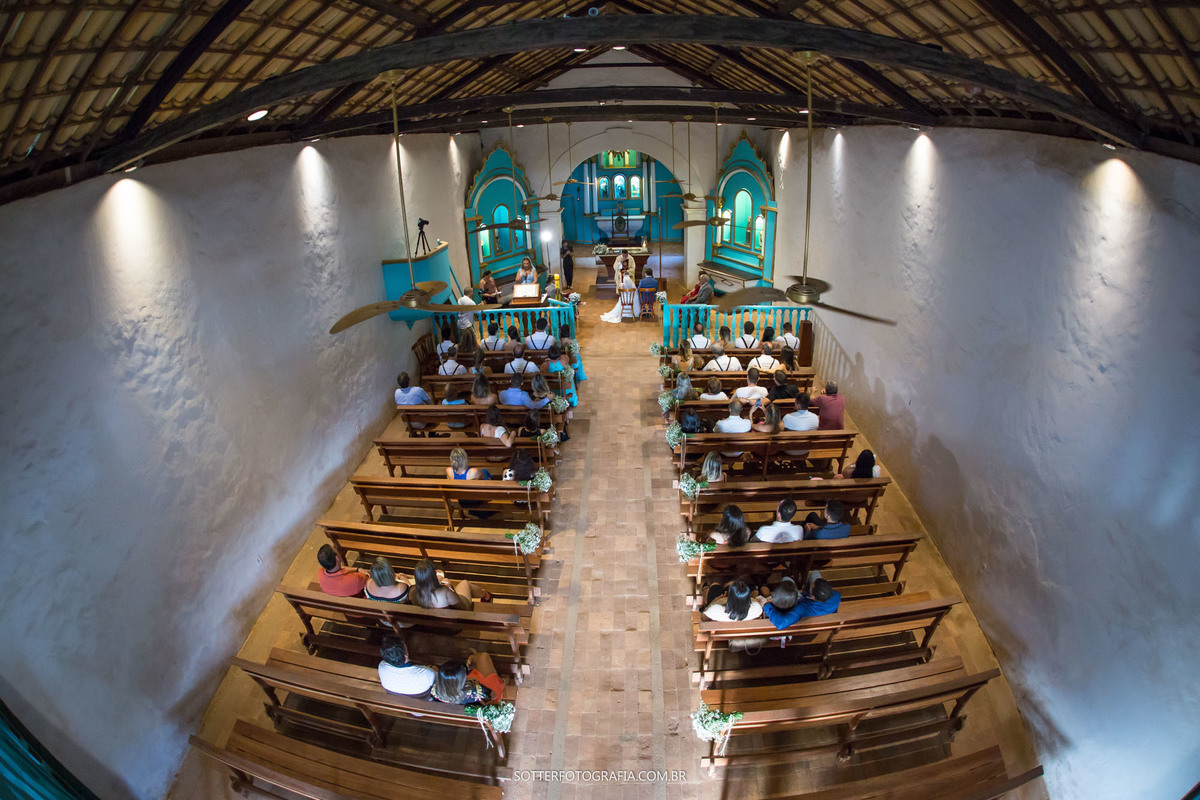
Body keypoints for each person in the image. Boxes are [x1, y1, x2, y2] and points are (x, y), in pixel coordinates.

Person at [761, 574, 841, 630]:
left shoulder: (802, 608)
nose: (812, 583)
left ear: (812, 596)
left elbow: (781, 624)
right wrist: (806, 592)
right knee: (814, 573)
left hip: (804, 604)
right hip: (820, 609)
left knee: (786, 579)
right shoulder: (837, 595)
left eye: (811, 586)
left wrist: (766, 605)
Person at [409, 558, 490, 612]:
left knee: (446, 581)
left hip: (431, 626)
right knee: (465, 583)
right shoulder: (445, 592)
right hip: (451, 629)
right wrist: (450, 588)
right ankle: (486, 595)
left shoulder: (413, 593)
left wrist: (440, 581)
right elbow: (463, 607)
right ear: (433, 576)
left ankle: (485, 595)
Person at [430, 652, 503, 705]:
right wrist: (473, 682)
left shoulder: (435, 692)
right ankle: (471, 658)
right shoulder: (475, 691)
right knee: (484, 657)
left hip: (458, 711)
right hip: (476, 706)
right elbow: (493, 696)